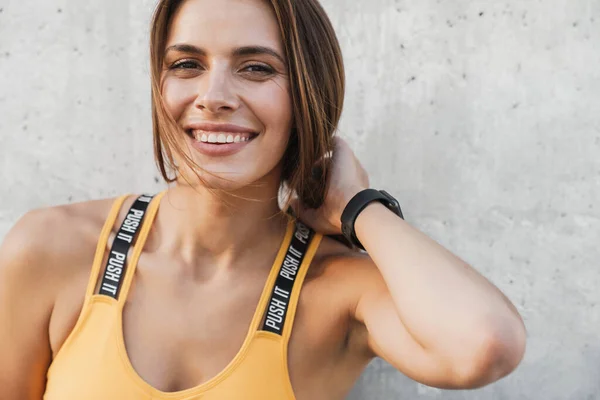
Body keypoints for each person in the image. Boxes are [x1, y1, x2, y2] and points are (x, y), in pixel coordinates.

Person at [0, 0, 527, 399]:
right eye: (186, 64)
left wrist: (360, 207)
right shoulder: (54, 249)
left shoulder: (336, 291)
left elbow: (485, 345)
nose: (213, 95)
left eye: (256, 68)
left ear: (308, 93)